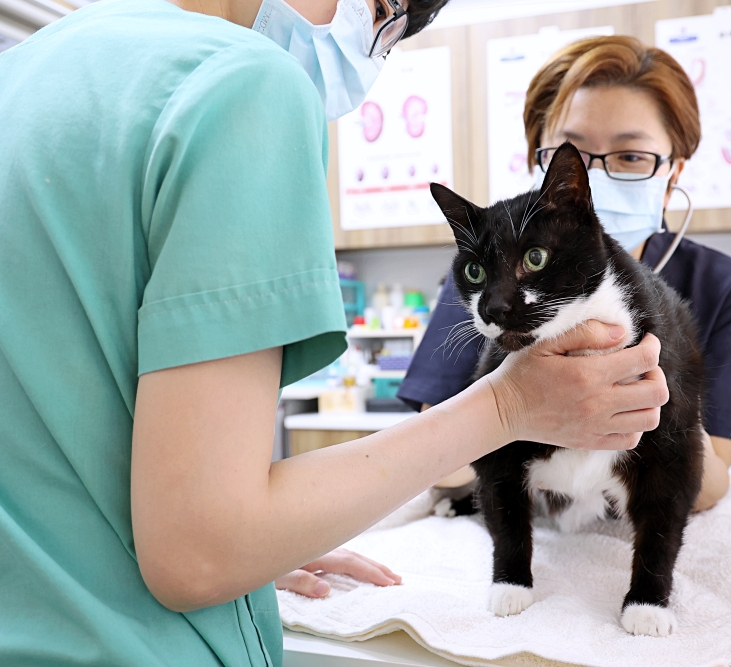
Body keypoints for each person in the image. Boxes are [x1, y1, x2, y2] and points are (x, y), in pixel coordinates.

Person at [0, 3, 671, 665]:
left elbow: (73, 439)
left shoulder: (28, 68)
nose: (368, 52)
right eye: (382, 10)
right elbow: (200, 553)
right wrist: (508, 405)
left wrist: (265, 536)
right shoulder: (245, 85)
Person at [399, 35, 731, 512]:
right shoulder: (493, 278)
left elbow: (708, 485)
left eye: (630, 156)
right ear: (540, 161)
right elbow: (441, 466)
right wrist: (514, 406)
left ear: (672, 175)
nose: (590, 178)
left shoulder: (725, 289)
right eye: (570, 154)